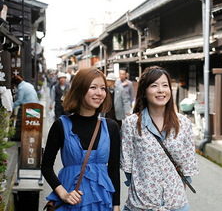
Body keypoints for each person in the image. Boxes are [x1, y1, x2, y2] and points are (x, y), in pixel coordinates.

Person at [120, 66, 199, 211]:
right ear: (144, 91)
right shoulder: (131, 124)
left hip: (176, 205)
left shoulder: (183, 124)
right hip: (141, 206)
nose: (161, 90)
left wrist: (174, 198)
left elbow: (187, 167)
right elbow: (128, 168)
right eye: (154, 85)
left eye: (165, 85)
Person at [41, 67, 120, 211]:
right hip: (71, 202)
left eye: (103, 88)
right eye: (93, 87)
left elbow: (114, 170)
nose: (99, 93)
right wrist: (63, 194)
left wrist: (116, 206)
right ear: (79, 89)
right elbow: (46, 166)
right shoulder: (61, 125)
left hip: (103, 202)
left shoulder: (111, 127)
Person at [11, 75, 39, 141]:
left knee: (22, 122)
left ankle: (18, 137)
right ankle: (31, 137)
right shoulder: (29, 85)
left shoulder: (21, 88)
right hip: (36, 107)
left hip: (28, 107)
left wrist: (11, 107)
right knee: (32, 124)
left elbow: (19, 101)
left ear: (15, 84)